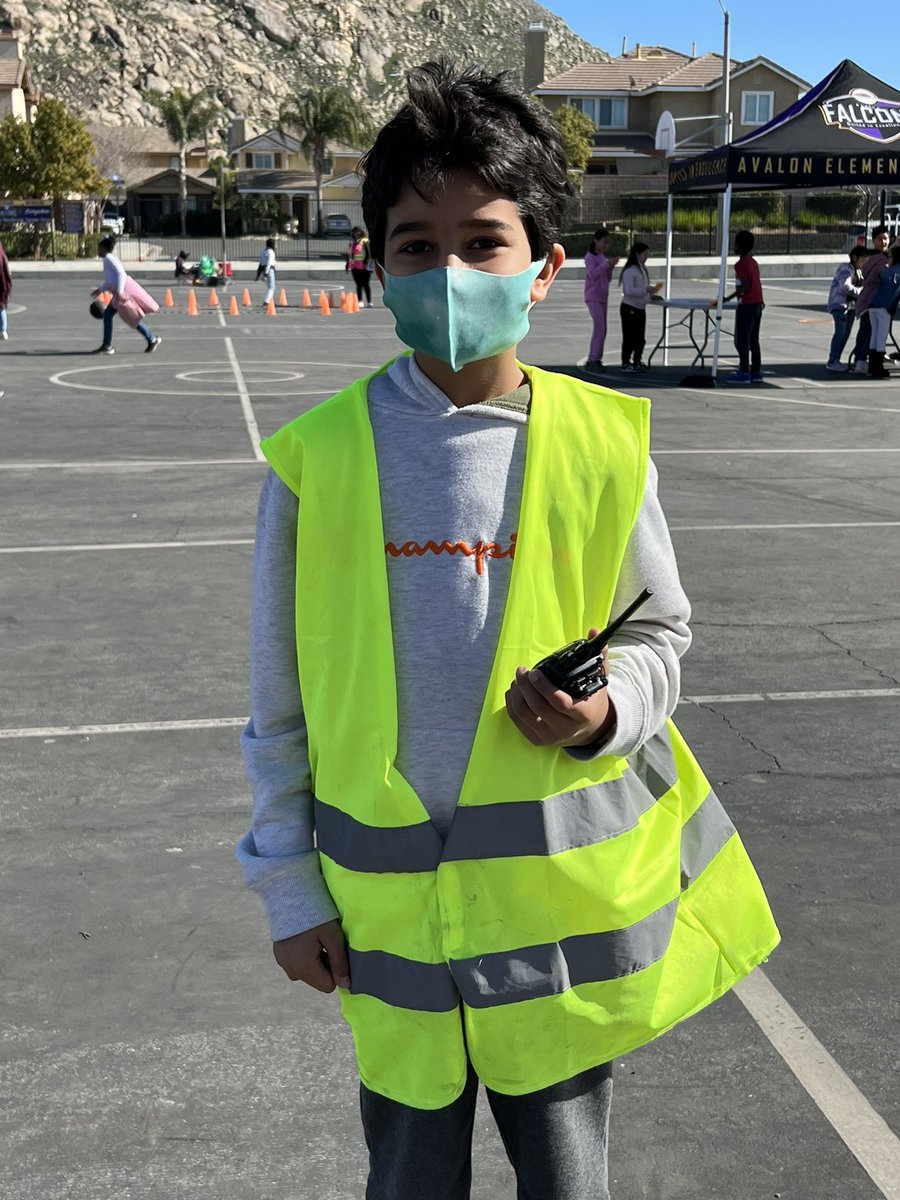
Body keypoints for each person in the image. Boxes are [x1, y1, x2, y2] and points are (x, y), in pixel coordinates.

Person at [236, 58, 779, 1200]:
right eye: (416, 244)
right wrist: (292, 890)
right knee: (408, 1174)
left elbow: (659, 633)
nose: (450, 271)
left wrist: (607, 710)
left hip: (556, 935)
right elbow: (279, 702)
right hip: (388, 930)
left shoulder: (599, 443)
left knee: (567, 1180)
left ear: (544, 268)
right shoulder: (318, 461)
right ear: (376, 263)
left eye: (483, 241)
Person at [90, 236, 161, 355]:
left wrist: (120, 291)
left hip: (122, 293)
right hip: (118, 293)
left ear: (103, 248)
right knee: (108, 316)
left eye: (99, 248)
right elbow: (110, 279)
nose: (97, 251)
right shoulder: (107, 259)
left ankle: (152, 339)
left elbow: (121, 274)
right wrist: (100, 289)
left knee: (132, 317)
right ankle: (107, 345)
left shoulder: (109, 258)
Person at [720, 229, 764, 384]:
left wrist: (727, 298)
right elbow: (756, 284)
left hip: (747, 305)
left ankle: (744, 372)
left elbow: (744, 286)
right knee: (753, 340)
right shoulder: (753, 262)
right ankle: (756, 371)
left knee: (741, 340)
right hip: (758, 304)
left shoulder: (740, 264)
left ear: (738, 245)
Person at [851, 225, 891, 374]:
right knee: (867, 330)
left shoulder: (885, 257)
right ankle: (861, 358)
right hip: (869, 299)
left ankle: (864, 357)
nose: (883, 242)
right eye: (880, 239)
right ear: (874, 240)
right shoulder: (873, 257)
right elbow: (860, 273)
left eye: (886, 238)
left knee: (870, 331)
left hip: (876, 300)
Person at [618, 241, 662, 371]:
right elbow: (629, 291)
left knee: (640, 338)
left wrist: (651, 293)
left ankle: (637, 360)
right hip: (630, 307)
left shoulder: (642, 269)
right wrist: (646, 291)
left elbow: (642, 287)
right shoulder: (630, 271)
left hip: (640, 307)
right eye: (644, 255)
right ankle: (625, 362)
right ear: (637, 254)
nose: (646, 258)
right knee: (629, 337)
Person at [826, 245, 868, 372]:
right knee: (840, 333)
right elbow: (845, 286)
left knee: (845, 334)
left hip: (850, 307)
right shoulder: (846, 269)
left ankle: (836, 359)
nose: (864, 264)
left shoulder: (858, 271)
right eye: (863, 260)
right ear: (855, 258)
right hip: (840, 305)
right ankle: (833, 360)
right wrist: (861, 291)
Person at [583, 226, 618, 371]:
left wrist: (610, 267)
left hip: (603, 296)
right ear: (596, 241)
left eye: (607, 243)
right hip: (593, 296)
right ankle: (593, 359)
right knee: (599, 328)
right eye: (604, 242)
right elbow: (592, 274)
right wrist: (606, 265)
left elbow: (607, 278)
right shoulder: (590, 257)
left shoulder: (602, 258)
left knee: (603, 329)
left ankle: (596, 358)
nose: (606, 245)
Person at [863, 244, 900, 378]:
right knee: (881, 337)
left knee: (874, 334)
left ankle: (872, 365)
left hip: (873, 305)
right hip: (885, 307)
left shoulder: (886, 271)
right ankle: (878, 367)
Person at [346, 225, 374, 307]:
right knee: (358, 284)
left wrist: (366, 263)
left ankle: (369, 301)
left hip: (364, 266)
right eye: (354, 233)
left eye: (357, 232)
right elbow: (349, 254)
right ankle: (360, 300)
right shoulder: (352, 243)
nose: (355, 234)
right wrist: (347, 264)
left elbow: (368, 253)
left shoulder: (365, 241)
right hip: (355, 266)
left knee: (366, 284)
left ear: (360, 233)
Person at [0, 238, 11, 341]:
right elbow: (8, 271)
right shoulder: (2, 255)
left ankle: (3, 330)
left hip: (1, 285)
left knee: (1, 308)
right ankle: (3, 331)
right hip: (2, 285)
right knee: (2, 308)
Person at [261, 237, 276, 305]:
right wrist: (266, 273)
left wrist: (263, 272)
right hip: (269, 270)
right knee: (271, 287)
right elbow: (269, 263)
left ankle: (269, 300)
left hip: (264, 268)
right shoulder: (271, 252)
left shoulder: (264, 251)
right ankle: (267, 301)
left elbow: (262, 261)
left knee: (269, 286)